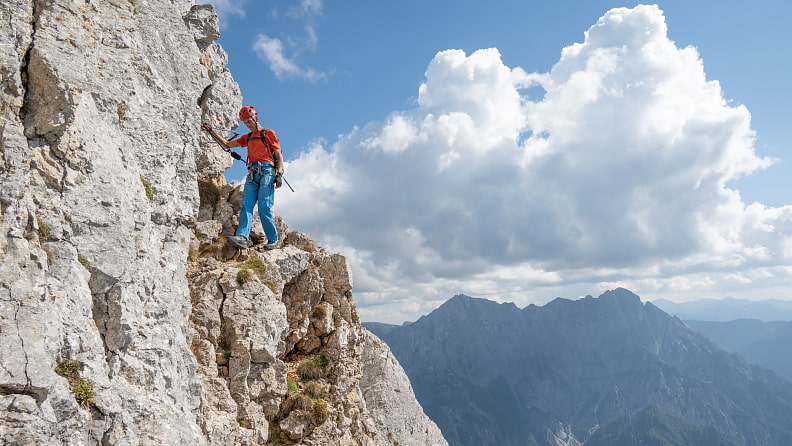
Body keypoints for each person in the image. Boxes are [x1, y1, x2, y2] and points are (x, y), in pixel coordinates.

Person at [207, 105, 284, 249]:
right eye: (245, 123)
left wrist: (279, 174)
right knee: (247, 205)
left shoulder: (268, 133)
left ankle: (273, 239)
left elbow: (279, 155)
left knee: (264, 206)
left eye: (249, 121)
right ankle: (242, 237)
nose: (248, 125)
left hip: (267, 172)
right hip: (253, 173)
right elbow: (227, 144)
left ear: (256, 118)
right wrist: (212, 131)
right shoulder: (247, 137)